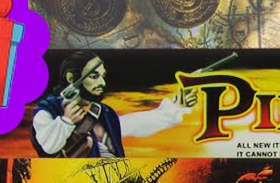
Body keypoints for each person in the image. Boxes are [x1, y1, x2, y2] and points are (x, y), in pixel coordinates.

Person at [30, 51, 191, 158]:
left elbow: (136, 123)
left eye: (103, 76)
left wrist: (177, 106)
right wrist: (65, 122)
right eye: (94, 76)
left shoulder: (103, 112)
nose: (102, 82)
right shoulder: (47, 111)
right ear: (72, 79)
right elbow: (48, 146)